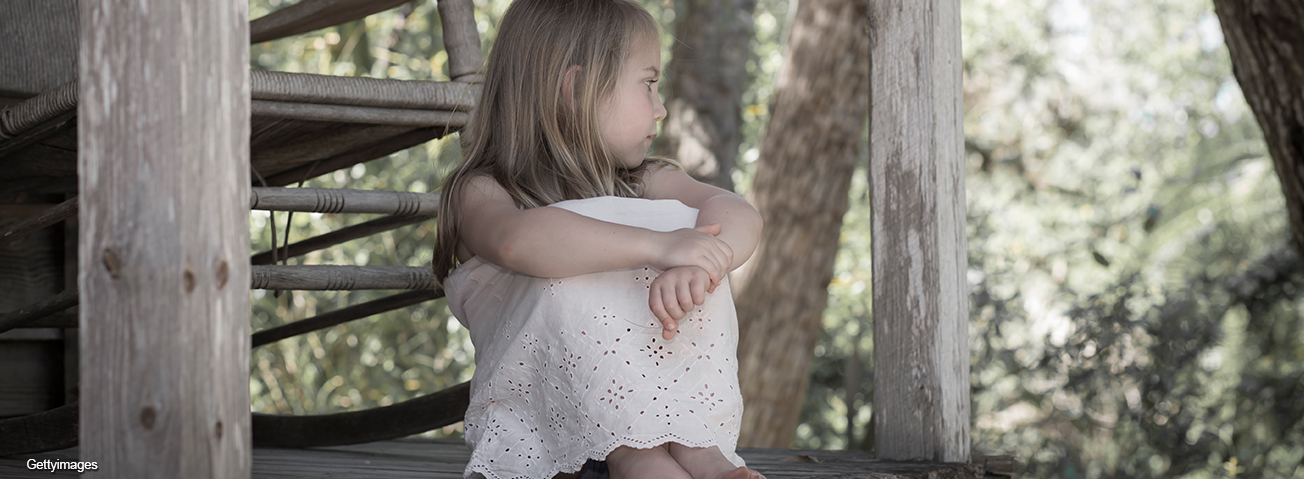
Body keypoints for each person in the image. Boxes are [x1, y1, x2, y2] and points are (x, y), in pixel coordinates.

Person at [432, 1, 764, 478]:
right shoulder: (484, 191)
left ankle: (695, 446)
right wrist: (662, 246)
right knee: (572, 249)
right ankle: (639, 456)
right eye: (648, 84)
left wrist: (701, 262)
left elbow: (736, 211)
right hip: (552, 430)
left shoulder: (641, 180)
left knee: (698, 233)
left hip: (673, 419)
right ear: (578, 88)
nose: (661, 107)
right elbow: (516, 243)